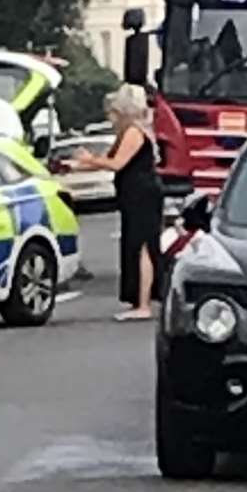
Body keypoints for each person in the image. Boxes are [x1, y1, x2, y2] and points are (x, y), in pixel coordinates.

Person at [72, 84, 164, 320]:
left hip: (142, 194)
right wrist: (86, 164)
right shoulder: (129, 132)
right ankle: (137, 300)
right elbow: (111, 160)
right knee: (134, 245)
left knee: (143, 244)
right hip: (133, 194)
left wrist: (90, 159)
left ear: (125, 111)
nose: (111, 118)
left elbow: (118, 163)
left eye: (114, 112)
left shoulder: (134, 132)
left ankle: (143, 304)